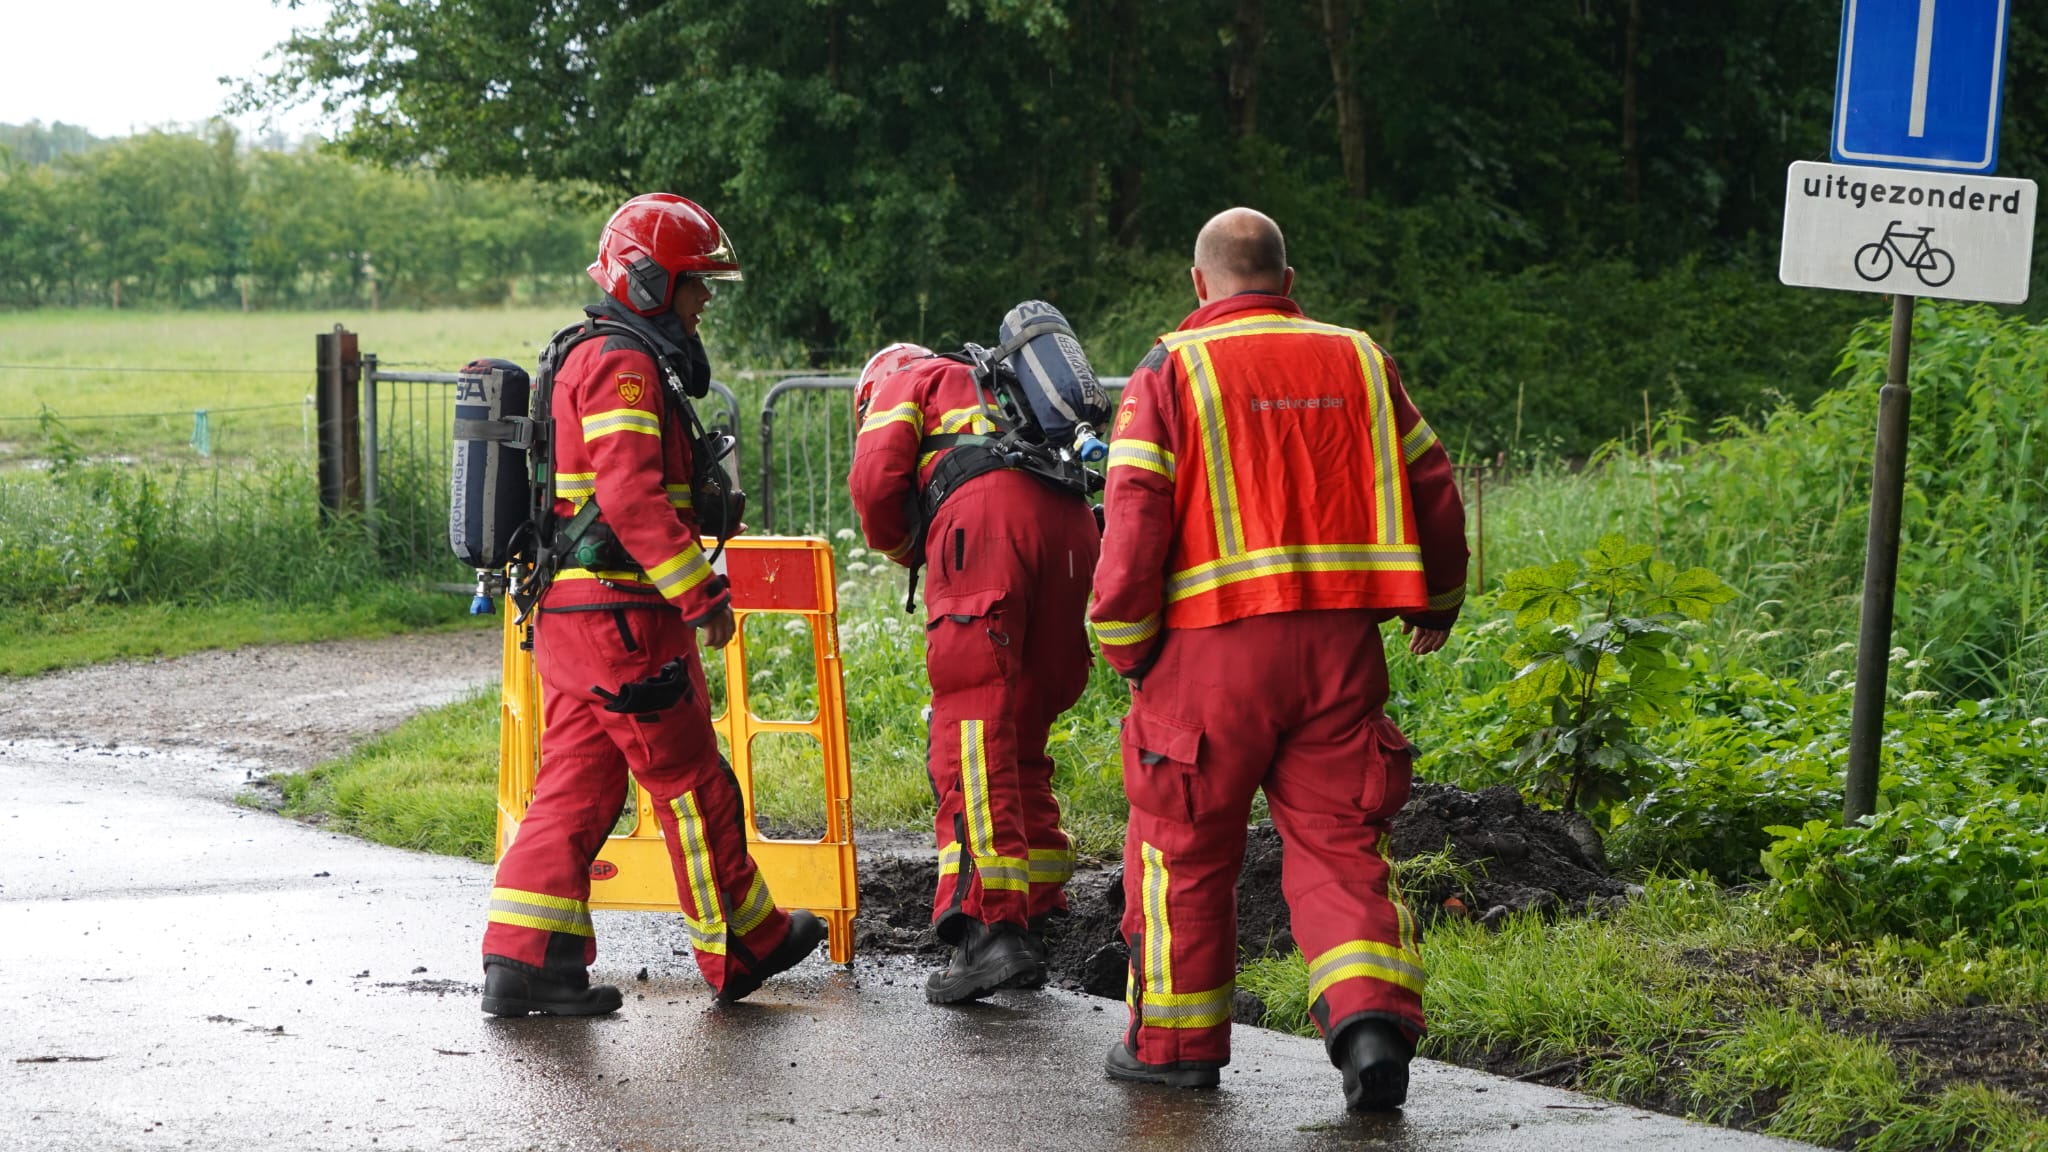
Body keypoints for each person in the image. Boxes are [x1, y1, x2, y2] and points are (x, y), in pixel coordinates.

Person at [1090, 207, 1468, 1109]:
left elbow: (1134, 516)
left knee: (1182, 850)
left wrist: (1125, 642)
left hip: (1208, 662)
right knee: (1341, 843)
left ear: (1199, 283)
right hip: (1340, 655)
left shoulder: (1170, 368)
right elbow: (1434, 482)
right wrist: (1437, 601)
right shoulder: (1361, 358)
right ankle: (1370, 1024)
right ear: (1287, 283)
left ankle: (1175, 1049)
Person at [481, 193, 825, 1016]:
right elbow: (630, 495)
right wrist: (700, 594)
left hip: (576, 617)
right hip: (623, 618)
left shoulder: (598, 354)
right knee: (690, 779)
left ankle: (526, 959)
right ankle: (743, 943)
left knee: (577, 784)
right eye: (694, 283)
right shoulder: (624, 364)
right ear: (648, 282)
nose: (703, 300)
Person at [848, 334, 1099, 1003]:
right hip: (1073, 527)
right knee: (1021, 732)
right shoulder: (1000, 386)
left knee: (971, 729)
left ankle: (991, 932)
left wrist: (909, 546)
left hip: (987, 527)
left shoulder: (907, 380)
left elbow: (874, 487)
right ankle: (1036, 909)